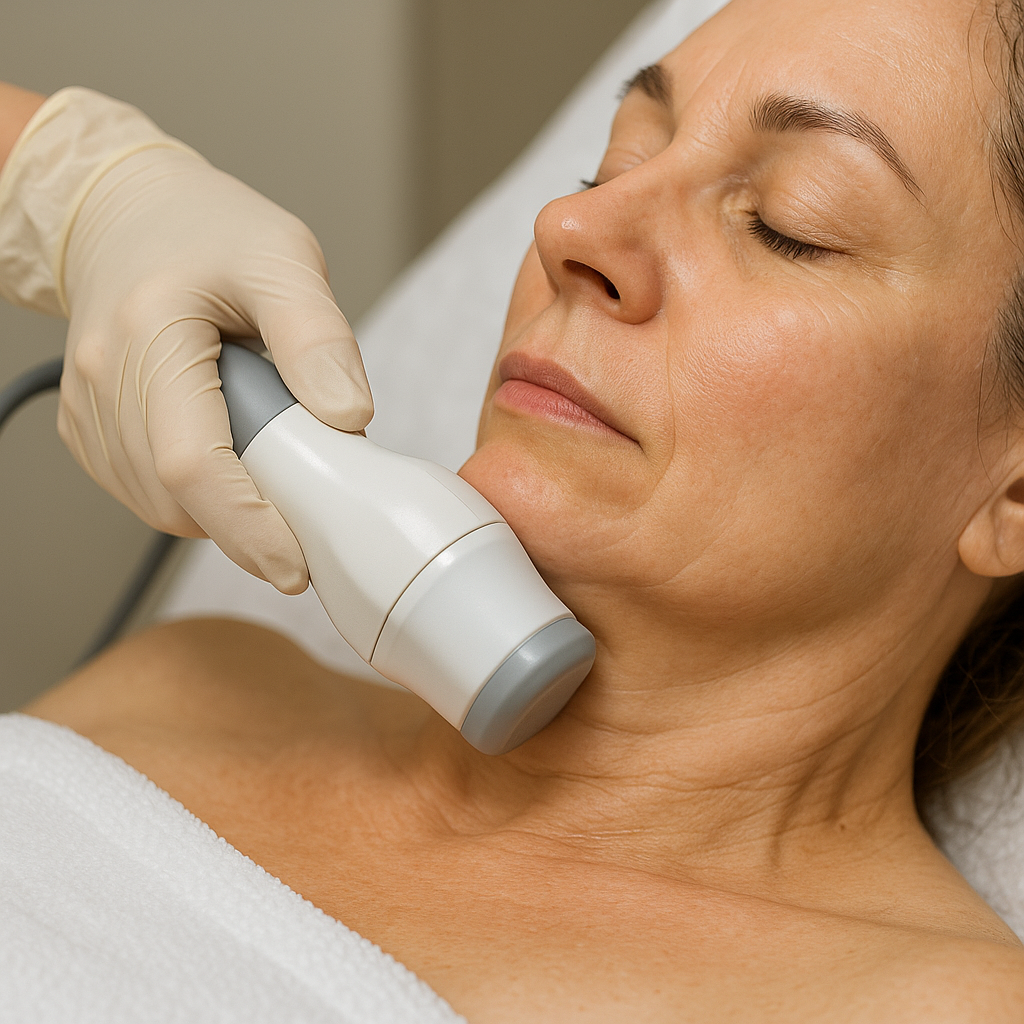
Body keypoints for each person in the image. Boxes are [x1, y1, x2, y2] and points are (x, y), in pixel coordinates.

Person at [5, 0, 1024, 1019]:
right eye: (611, 165)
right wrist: (75, 186)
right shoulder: (203, 680)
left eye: (789, 225)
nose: (569, 228)